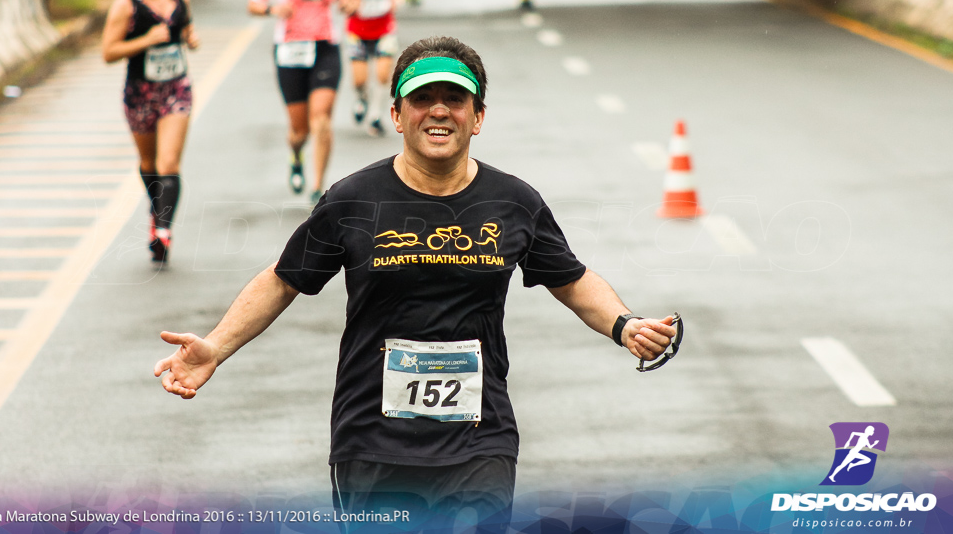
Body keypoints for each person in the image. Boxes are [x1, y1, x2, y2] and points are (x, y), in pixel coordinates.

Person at [154, 36, 679, 532]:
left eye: (455, 98)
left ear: (478, 118)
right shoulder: (353, 201)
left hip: (480, 440)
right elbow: (284, 280)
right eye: (421, 98)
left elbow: (570, 278)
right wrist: (215, 348)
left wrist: (624, 324)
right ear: (397, 115)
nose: (439, 110)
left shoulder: (514, 202)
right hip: (372, 443)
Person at [247, 0, 356, 203]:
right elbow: (254, 2)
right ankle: (296, 155)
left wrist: (348, 4)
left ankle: (317, 185)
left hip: (325, 48)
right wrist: (272, 9)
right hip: (290, 50)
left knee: (322, 118)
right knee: (300, 129)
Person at [102, 0, 200, 264]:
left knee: (168, 163)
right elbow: (108, 52)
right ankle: (156, 211)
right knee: (149, 164)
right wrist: (146, 40)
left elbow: (186, 29)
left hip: (176, 89)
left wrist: (190, 37)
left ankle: (162, 231)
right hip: (140, 94)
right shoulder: (125, 6)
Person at [346, 0, 405, 137]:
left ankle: (375, 116)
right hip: (357, 31)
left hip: (384, 29)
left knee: (382, 74)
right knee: (360, 79)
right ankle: (362, 97)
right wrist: (349, 3)